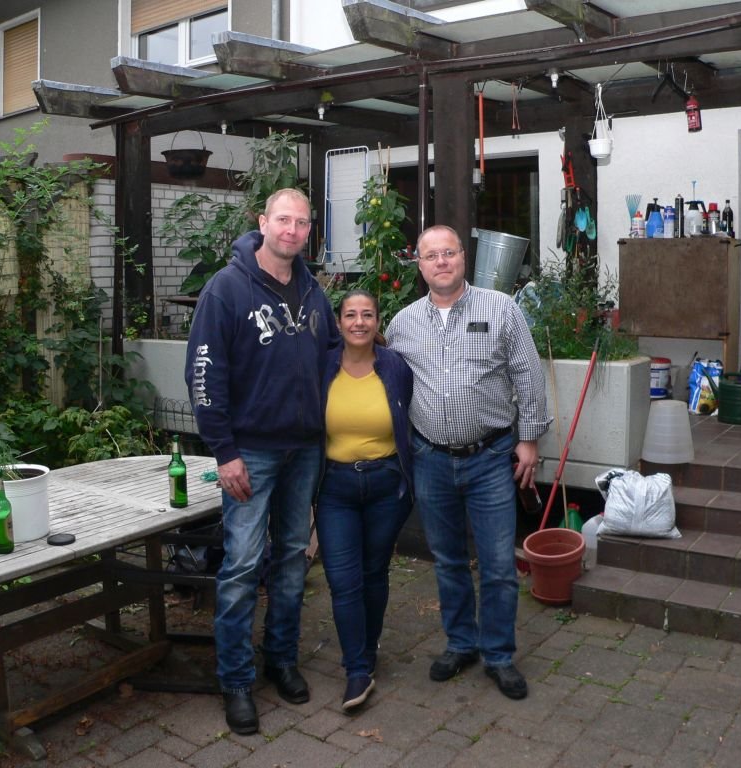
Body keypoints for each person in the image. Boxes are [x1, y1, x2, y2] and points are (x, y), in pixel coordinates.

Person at [185, 188, 339, 736]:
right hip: (249, 452)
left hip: (305, 451)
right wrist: (223, 451)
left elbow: (333, 358)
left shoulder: (314, 292)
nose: (292, 231)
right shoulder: (226, 289)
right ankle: (235, 680)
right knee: (243, 566)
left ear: (309, 230)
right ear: (263, 222)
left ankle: (281, 659)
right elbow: (204, 373)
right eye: (283, 220)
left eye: (302, 223)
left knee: (293, 560)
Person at [387, 224, 550, 700]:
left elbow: (528, 374)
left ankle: (498, 655)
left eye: (449, 253)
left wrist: (529, 440)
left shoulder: (501, 309)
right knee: (448, 560)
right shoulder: (402, 324)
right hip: (430, 459)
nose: (441, 262)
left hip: (490, 458)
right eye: (431, 255)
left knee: (498, 564)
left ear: (464, 257)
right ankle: (461, 643)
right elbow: (386, 381)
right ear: (419, 265)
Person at [316, 289, 414, 713]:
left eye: (367, 315)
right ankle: (356, 669)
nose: (359, 322)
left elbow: (408, 413)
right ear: (339, 323)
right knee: (342, 580)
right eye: (351, 315)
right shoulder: (322, 366)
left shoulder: (394, 367)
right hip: (335, 488)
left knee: (374, 572)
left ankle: (368, 652)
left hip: (385, 485)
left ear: (377, 322)